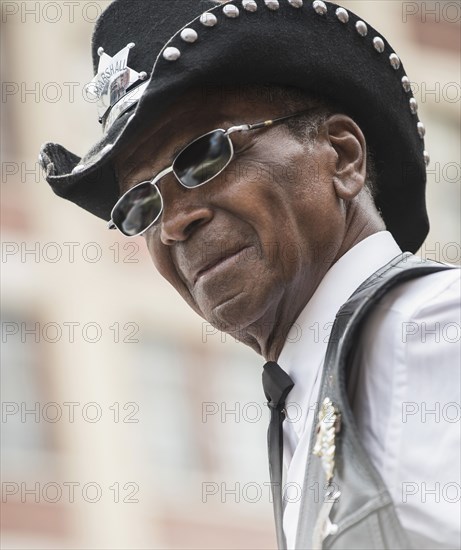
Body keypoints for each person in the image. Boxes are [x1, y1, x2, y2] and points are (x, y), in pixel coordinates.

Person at [39, 1, 460, 548]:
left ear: (342, 156)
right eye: (141, 207)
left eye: (203, 157)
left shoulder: (431, 328)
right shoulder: (312, 390)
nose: (172, 225)